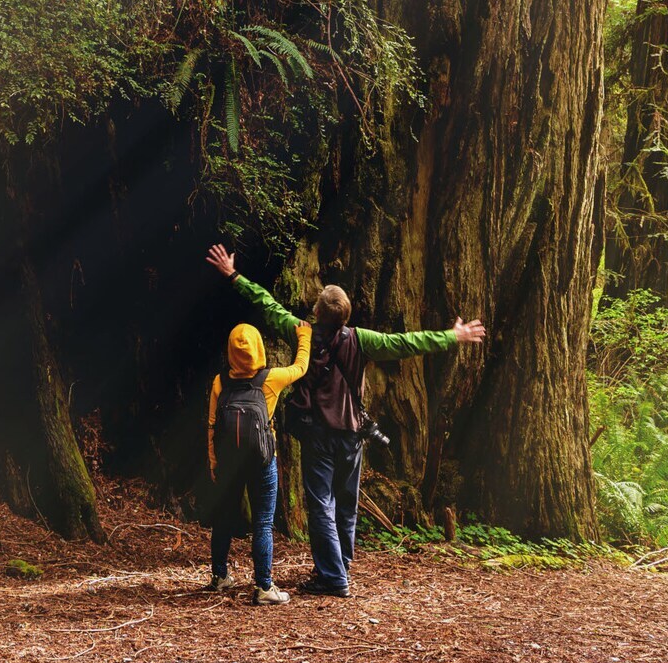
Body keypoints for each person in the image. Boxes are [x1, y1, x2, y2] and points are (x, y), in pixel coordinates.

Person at [205, 243, 485, 597]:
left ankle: (334, 577)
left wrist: (233, 275)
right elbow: (406, 343)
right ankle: (339, 566)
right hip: (352, 433)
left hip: (317, 434)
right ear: (345, 316)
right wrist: (452, 336)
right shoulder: (360, 339)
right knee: (345, 504)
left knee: (321, 503)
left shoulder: (301, 331)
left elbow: (266, 304)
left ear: (318, 311)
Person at [203, 316, 310, 604]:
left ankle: (219, 577)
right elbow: (301, 367)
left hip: (228, 464)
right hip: (262, 461)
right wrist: (304, 337)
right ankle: (264, 587)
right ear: (259, 349)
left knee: (223, 520)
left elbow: (212, 426)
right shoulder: (270, 380)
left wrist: (214, 463)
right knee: (262, 524)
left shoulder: (219, 382)